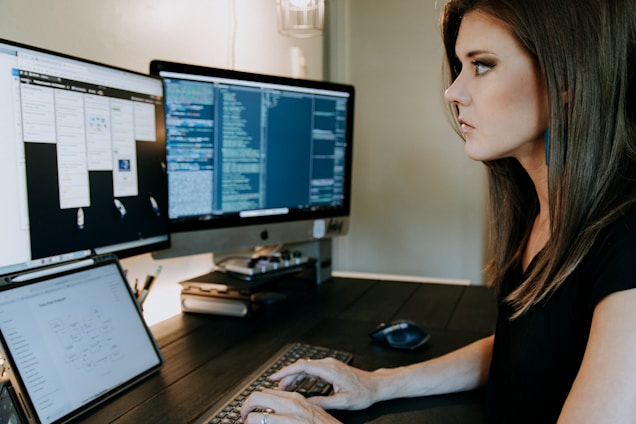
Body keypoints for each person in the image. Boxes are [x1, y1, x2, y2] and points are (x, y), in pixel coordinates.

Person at [240, 0, 636, 422]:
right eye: (459, 66)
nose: (453, 91)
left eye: (482, 65)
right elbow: (520, 348)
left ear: (567, 77)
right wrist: (378, 382)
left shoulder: (627, 235)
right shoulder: (540, 209)